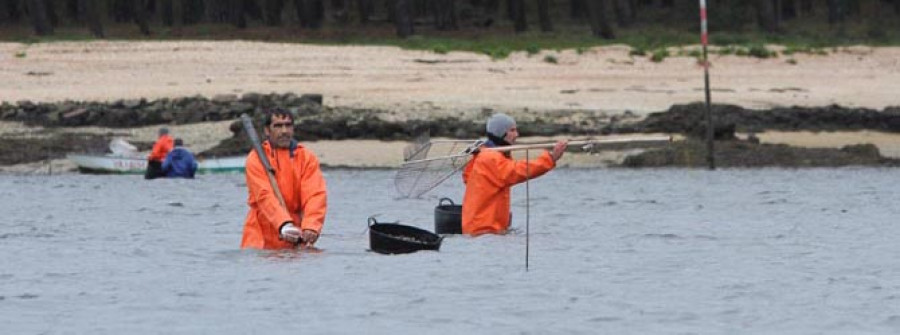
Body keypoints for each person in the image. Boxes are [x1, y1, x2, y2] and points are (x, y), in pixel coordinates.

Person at [461, 113, 568, 236]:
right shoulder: (489, 157)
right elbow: (516, 171)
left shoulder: (485, 154)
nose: (516, 135)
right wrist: (551, 158)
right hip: (484, 231)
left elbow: (468, 176)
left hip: (483, 229)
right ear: (500, 133)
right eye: (512, 130)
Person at [241, 109, 328, 249]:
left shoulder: (307, 158)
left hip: (296, 235)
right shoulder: (255, 159)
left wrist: (311, 227)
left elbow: (315, 195)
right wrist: (283, 224)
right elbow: (264, 196)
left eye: (288, 125)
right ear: (267, 130)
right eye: (278, 126)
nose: (284, 131)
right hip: (260, 240)